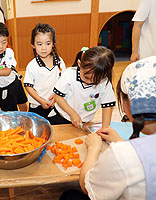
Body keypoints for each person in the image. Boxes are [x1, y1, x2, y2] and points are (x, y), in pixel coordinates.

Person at [77, 57, 156, 200]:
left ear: (130, 102)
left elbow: (87, 186)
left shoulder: (123, 156)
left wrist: (93, 148)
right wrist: (120, 141)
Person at [53, 46, 116, 128]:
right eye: (87, 77)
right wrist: (72, 113)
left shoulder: (104, 82)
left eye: (95, 80)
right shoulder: (69, 74)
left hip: (85, 122)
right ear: (79, 64)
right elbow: (58, 97)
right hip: (62, 118)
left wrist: (105, 128)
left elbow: (108, 107)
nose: (89, 82)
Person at [24, 23, 66, 124]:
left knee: (56, 128)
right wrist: (41, 101)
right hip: (37, 106)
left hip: (55, 104)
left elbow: (64, 82)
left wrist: (56, 96)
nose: (44, 48)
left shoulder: (59, 62)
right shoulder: (32, 65)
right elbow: (28, 86)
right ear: (33, 45)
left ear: (53, 44)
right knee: (39, 131)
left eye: (47, 43)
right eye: (39, 44)